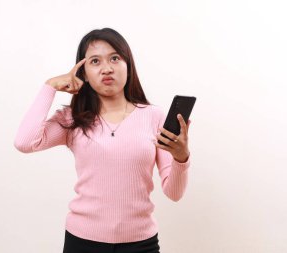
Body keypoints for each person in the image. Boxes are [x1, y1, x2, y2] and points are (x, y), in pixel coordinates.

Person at [14, 27, 191, 253]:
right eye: (95, 61)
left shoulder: (154, 116)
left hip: (140, 244)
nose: (107, 68)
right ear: (83, 73)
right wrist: (49, 86)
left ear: (128, 65)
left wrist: (181, 157)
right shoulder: (72, 119)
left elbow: (174, 193)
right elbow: (24, 142)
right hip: (82, 242)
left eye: (115, 58)